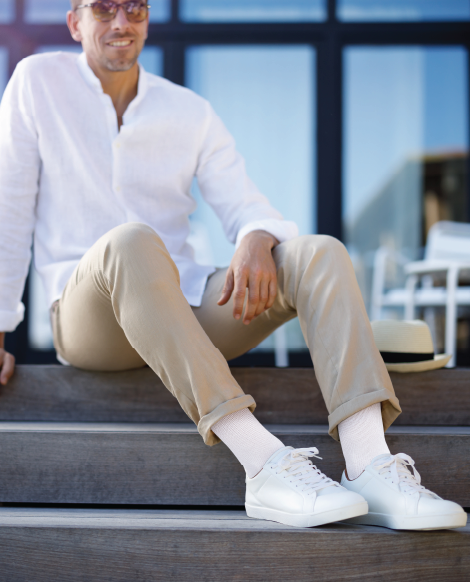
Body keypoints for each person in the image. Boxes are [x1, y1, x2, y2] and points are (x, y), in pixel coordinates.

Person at [0, 0, 466, 531]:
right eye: (103, 9)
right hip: (91, 319)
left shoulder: (188, 110)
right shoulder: (37, 81)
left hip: (185, 306)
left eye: (133, 7)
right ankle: (263, 462)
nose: (121, 23)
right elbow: (8, 208)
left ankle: (370, 465)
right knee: (131, 241)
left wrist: (256, 237)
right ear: (74, 22)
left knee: (320, 252)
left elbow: (247, 205)